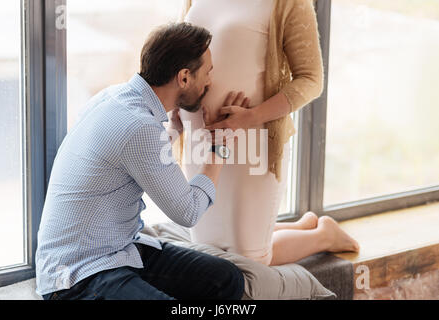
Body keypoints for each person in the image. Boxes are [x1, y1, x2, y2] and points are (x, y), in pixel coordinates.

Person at [35, 22, 245, 300]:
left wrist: (175, 130)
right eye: (207, 73)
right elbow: (188, 212)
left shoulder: (114, 97)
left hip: (119, 249)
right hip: (78, 274)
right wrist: (219, 151)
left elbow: (134, 155)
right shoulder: (140, 126)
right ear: (184, 77)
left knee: (225, 278)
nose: (210, 82)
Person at [176, 0, 360, 266]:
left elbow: (311, 79)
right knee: (210, 252)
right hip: (198, 139)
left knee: (250, 260)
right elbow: (178, 55)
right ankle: (301, 227)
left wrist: (251, 117)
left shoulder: (289, 3)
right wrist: (176, 109)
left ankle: (323, 236)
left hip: (253, 143)